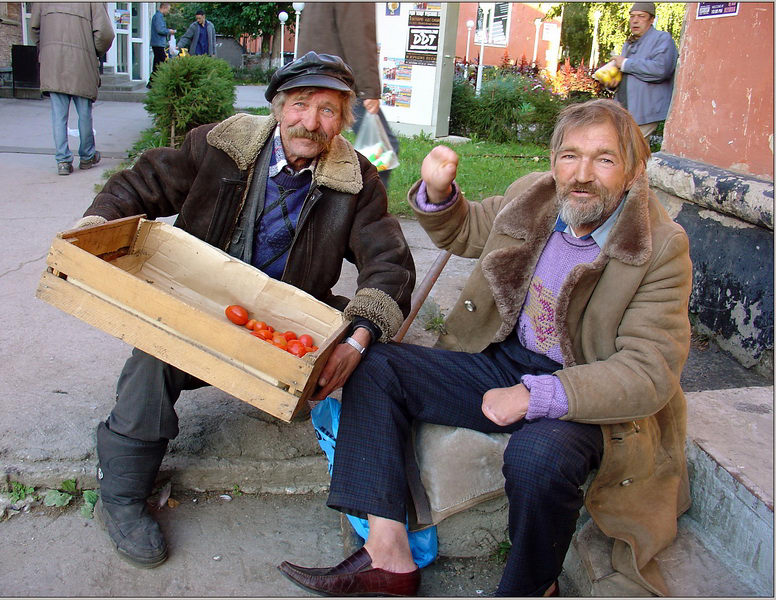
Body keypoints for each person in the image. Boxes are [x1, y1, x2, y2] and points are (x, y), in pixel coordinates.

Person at [278, 99, 693, 597]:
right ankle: (388, 554)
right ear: (553, 160)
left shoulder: (660, 245)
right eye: (569, 156)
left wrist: (536, 396)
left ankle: (530, 587)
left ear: (633, 170)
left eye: (604, 159)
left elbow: (648, 371)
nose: (582, 175)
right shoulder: (535, 196)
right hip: (504, 362)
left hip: (588, 395)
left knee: (538, 458)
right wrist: (439, 192)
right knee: (373, 362)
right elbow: (467, 228)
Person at [73, 52, 415, 569]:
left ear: (343, 121)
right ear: (279, 107)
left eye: (328, 110)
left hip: (282, 326)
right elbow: (141, 183)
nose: (311, 122)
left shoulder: (356, 179)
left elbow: (389, 262)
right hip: (199, 304)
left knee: (361, 353)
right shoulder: (220, 146)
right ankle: (120, 494)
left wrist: (357, 339)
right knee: (154, 357)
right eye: (300, 105)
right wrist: (93, 227)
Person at [296, 2, 400, 189]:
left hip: (312, 73)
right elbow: (358, 34)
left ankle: (311, 201)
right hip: (337, 78)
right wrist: (369, 90)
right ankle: (369, 209)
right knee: (381, 150)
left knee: (313, 142)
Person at [30, 3, 115, 176]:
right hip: (82, 61)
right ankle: (87, 157)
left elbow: (34, 29)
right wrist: (95, 52)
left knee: (58, 115)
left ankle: (63, 161)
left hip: (53, 61)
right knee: (84, 113)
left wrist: (47, 47)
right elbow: (105, 34)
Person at [608, 2, 678, 139]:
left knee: (631, 154)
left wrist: (626, 63)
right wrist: (612, 82)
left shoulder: (662, 38)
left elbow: (660, 69)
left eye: (641, 16)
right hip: (624, 109)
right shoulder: (629, 43)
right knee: (626, 153)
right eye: (632, 16)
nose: (635, 20)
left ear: (652, 19)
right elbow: (628, 73)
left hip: (645, 112)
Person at [148, 2, 175, 88]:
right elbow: (160, 30)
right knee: (163, 61)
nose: (168, 12)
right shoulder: (159, 16)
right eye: (168, 9)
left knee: (157, 63)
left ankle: (151, 83)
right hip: (158, 43)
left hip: (157, 43)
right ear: (164, 7)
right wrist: (169, 31)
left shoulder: (157, 16)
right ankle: (156, 82)